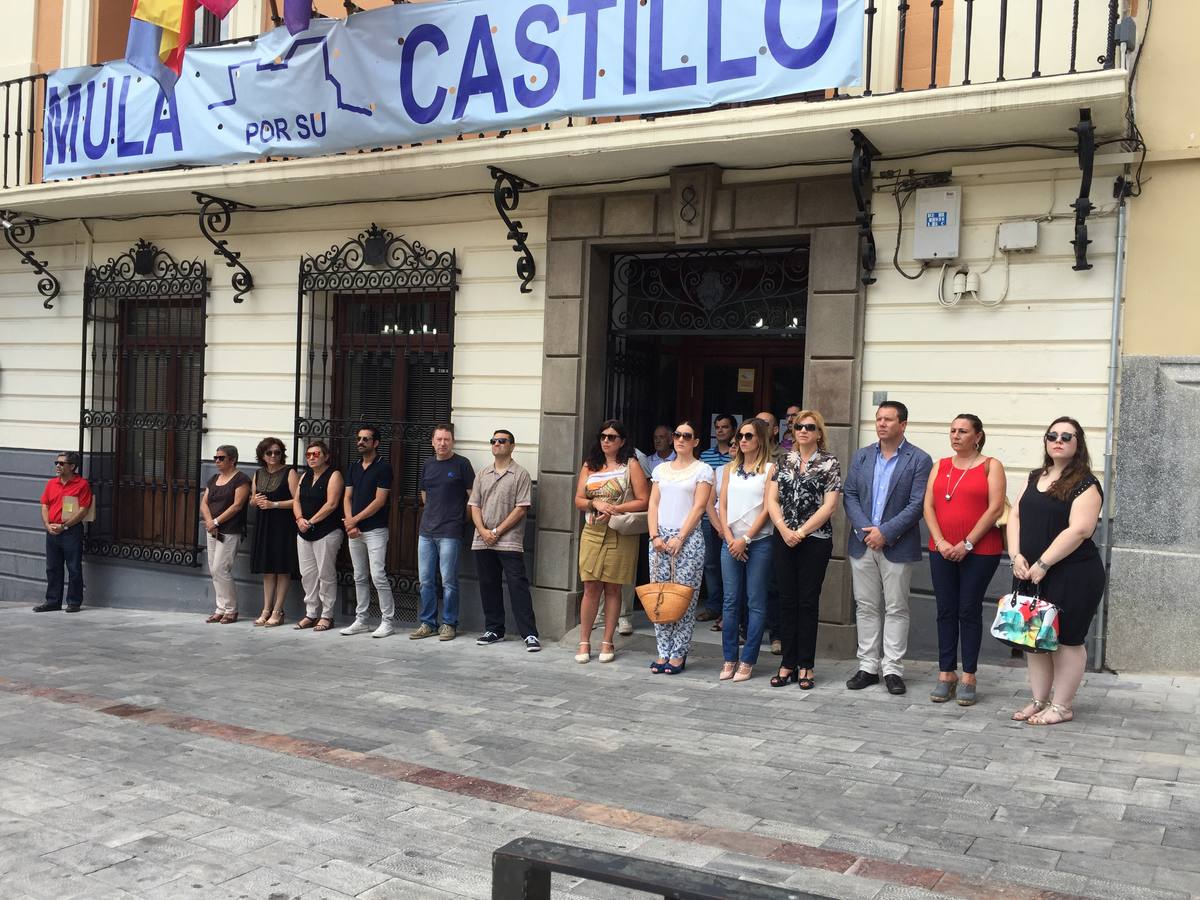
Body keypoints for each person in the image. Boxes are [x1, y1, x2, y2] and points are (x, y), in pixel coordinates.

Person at [1007, 417, 1105, 726]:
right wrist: (1015, 555)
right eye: (1052, 435)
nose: (1058, 440)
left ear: (1078, 444)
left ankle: (1062, 707)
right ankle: (1039, 700)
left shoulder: (1086, 483)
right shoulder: (1035, 476)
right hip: (1030, 571)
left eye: (1067, 436)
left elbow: (1080, 530)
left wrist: (1044, 562)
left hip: (1073, 574)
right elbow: (1016, 516)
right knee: (1034, 639)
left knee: (1067, 640)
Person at [842, 401, 933, 695]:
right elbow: (851, 495)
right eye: (878, 419)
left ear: (902, 425)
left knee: (896, 607)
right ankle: (868, 666)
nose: (881, 424)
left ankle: (892, 668)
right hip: (863, 542)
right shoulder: (863, 457)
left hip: (896, 544)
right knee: (866, 606)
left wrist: (886, 532)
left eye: (888, 419)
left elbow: (917, 504)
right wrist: (866, 530)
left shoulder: (919, 459)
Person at [923, 415, 1006, 705]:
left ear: (978, 436)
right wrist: (943, 542)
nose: (956, 436)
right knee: (945, 609)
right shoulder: (940, 465)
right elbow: (928, 506)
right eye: (953, 431)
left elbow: (995, 508)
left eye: (963, 431)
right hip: (941, 549)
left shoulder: (990, 465)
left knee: (968, 609)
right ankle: (946, 673)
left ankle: (969, 673)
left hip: (980, 551)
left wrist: (967, 543)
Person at [767, 410, 842, 690]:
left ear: (819, 433)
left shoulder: (829, 462)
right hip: (783, 537)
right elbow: (771, 499)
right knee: (787, 600)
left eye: (810, 427)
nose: (804, 431)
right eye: (799, 426)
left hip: (815, 539)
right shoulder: (783, 459)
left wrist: (800, 532)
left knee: (807, 602)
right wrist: (784, 529)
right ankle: (787, 663)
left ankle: (806, 665)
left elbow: (829, 505)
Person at [573, 419, 649, 664]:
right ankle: (584, 640)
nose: (606, 440)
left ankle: (608, 640)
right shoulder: (590, 465)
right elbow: (578, 499)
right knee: (590, 586)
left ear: (622, 441)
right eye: (603, 436)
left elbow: (643, 500)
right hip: (592, 531)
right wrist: (594, 503)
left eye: (612, 437)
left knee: (613, 587)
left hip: (619, 531)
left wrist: (615, 508)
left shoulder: (631, 465)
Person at [646, 420, 713, 674]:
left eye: (687, 435)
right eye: (677, 435)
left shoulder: (703, 470)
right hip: (659, 538)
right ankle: (663, 651)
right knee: (660, 598)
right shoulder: (661, 470)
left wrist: (680, 538)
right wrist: (655, 536)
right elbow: (653, 504)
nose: (681, 439)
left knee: (684, 597)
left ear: (696, 441)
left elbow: (699, 507)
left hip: (688, 539)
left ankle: (679, 653)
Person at [715, 417, 775, 682]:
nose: (742, 440)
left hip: (759, 542)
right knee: (730, 601)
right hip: (731, 541)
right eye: (740, 436)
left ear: (760, 439)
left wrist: (746, 539)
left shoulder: (771, 469)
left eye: (748, 436)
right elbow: (723, 505)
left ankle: (748, 659)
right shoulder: (729, 469)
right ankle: (729, 658)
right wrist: (730, 537)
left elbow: (767, 508)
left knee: (755, 601)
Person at [471, 430, 539, 650]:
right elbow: (474, 505)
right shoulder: (482, 473)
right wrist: (482, 530)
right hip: (483, 540)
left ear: (512, 446)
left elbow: (522, 508)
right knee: (488, 585)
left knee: (518, 586)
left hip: (509, 540)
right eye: (493, 441)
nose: (497, 444)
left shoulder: (520, 474)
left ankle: (529, 634)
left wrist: (497, 531)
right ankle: (493, 629)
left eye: (502, 441)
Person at [412, 424, 475, 642]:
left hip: (450, 531)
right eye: (438, 439)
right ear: (432, 442)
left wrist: (460, 519)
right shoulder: (428, 464)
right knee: (426, 580)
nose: (442, 443)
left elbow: (472, 498)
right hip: (426, 532)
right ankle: (428, 623)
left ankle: (449, 623)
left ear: (453, 442)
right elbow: (424, 494)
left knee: (449, 580)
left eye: (446, 439)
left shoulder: (462, 464)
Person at [341, 426, 396, 639]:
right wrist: (350, 524)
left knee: (378, 575)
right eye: (359, 438)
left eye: (366, 439)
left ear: (376, 443)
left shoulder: (384, 468)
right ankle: (361, 619)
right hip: (354, 530)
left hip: (375, 531)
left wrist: (354, 520)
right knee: (359, 576)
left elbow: (380, 501)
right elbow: (347, 497)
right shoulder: (353, 467)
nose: (361, 442)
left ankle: (387, 621)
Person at [293, 440, 344, 632]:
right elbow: (296, 500)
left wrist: (311, 521)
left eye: (316, 454)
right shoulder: (305, 476)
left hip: (326, 531)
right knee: (308, 574)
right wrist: (299, 519)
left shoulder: (334, 475)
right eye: (309, 455)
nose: (312, 458)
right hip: (303, 532)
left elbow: (331, 504)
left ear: (326, 456)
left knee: (326, 574)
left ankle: (327, 615)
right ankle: (311, 613)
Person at [249, 437, 300, 627]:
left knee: (282, 568)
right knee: (268, 569)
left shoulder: (289, 472)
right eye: (269, 452)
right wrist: (254, 502)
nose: (273, 456)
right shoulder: (258, 473)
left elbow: (297, 500)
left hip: (283, 524)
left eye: (277, 452)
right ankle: (266, 609)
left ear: (282, 454)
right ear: (262, 454)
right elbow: (252, 499)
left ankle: (278, 611)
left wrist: (274, 504)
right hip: (264, 523)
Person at [34, 451, 93, 613]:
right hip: (52, 530)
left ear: (72, 466)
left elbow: (83, 510)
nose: (58, 466)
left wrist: (65, 526)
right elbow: (45, 504)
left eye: (61, 463)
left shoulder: (82, 485)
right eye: (56, 463)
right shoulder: (51, 483)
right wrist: (47, 524)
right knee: (52, 567)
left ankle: (74, 602)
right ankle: (53, 601)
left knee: (73, 567)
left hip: (71, 531)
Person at [200, 445, 251, 624]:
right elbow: (204, 503)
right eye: (215, 457)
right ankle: (220, 608)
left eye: (221, 458)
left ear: (232, 460)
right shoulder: (214, 478)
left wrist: (216, 522)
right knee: (214, 569)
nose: (216, 461)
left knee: (222, 568)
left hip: (230, 530)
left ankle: (231, 609)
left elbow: (237, 505)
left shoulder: (241, 479)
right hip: (212, 530)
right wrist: (209, 522)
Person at [697, 413, 736, 623]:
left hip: (734, 522)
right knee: (711, 564)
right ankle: (714, 606)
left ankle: (729, 613)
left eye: (725, 427)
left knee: (730, 566)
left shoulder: (736, 460)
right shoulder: (705, 456)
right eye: (717, 427)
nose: (720, 430)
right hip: (708, 520)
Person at [754, 409, 785, 654]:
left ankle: (777, 634)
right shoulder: (743, 457)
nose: (760, 427)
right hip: (746, 531)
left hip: (773, 529)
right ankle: (746, 630)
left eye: (765, 423)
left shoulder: (782, 458)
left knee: (774, 584)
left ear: (775, 430)